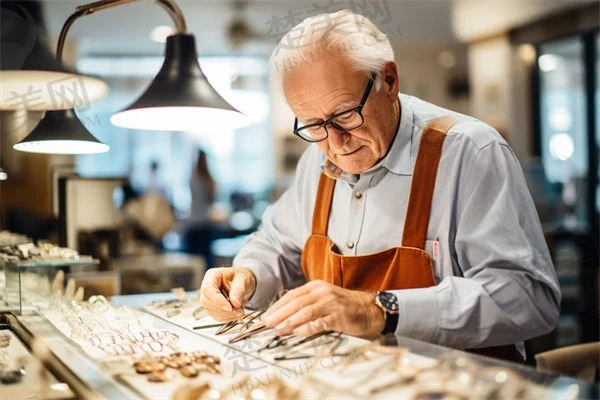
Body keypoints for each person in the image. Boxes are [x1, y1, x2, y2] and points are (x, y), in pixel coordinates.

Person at [199, 10, 560, 362]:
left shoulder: (471, 153)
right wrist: (246, 274)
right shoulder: (317, 160)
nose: (335, 143)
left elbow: (530, 299)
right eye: (312, 124)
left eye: (344, 114)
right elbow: (277, 243)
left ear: (389, 80)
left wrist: (379, 309)